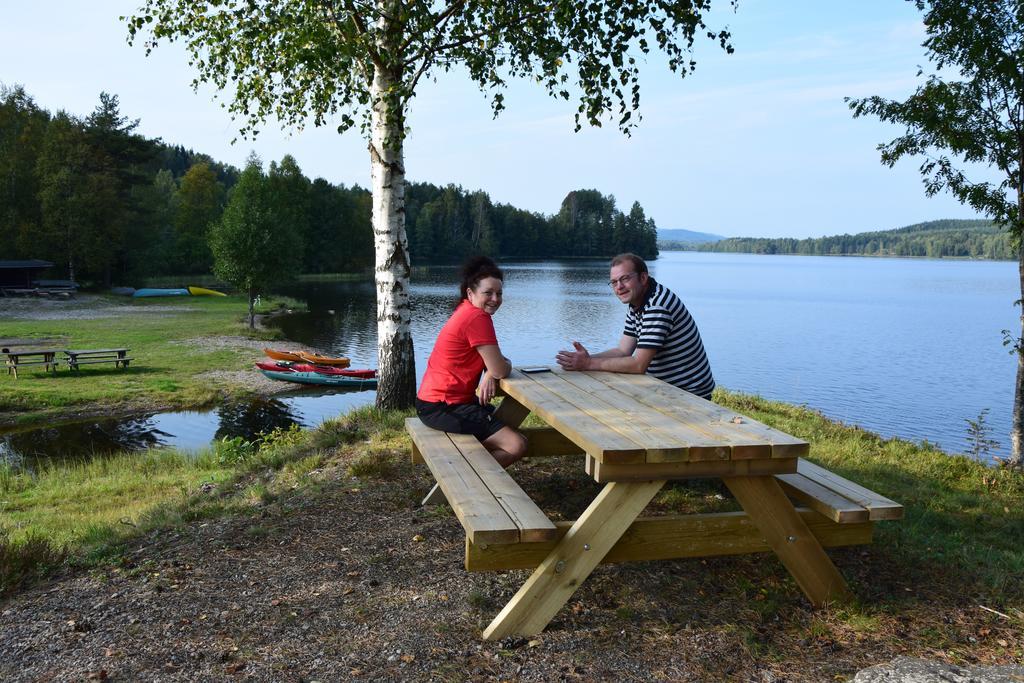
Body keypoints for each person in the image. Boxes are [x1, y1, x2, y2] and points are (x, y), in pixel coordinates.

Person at [555, 253, 715, 399]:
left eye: (625, 279)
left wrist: (589, 364)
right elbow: (623, 351)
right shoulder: (638, 302)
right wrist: (585, 359)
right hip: (664, 389)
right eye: (614, 282)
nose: (619, 287)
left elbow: (639, 364)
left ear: (643, 278)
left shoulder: (657, 305)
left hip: (690, 395)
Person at [416, 256, 527, 467]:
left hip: (437, 404)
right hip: (443, 407)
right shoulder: (477, 318)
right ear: (470, 292)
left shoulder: (465, 310)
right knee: (516, 444)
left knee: (507, 423)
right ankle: (466, 475)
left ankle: (466, 465)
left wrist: (489, 373)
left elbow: (489, 362)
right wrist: (497, 370)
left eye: (499, 293)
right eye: (488, 293)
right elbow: (501, 368)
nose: (495, 299)